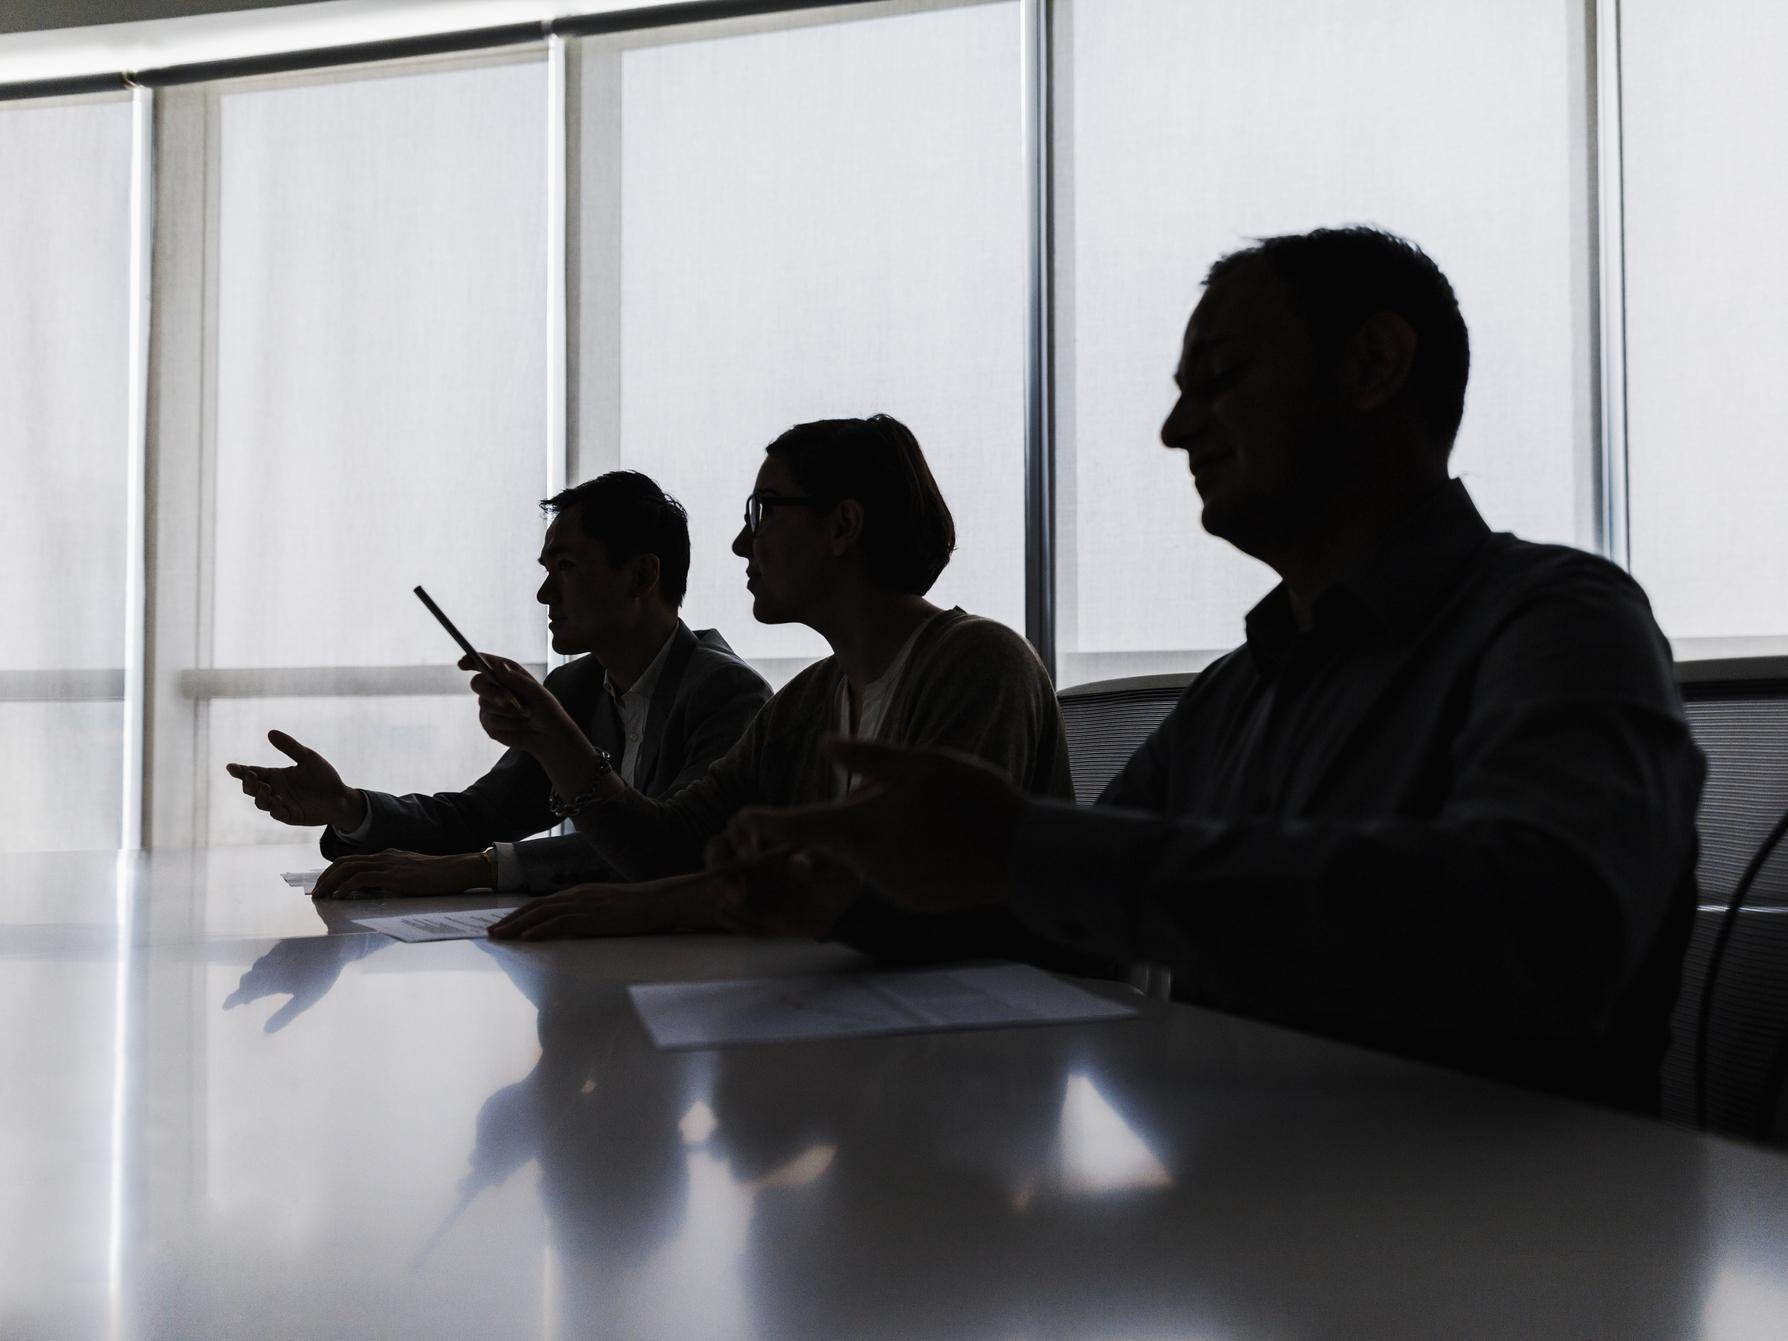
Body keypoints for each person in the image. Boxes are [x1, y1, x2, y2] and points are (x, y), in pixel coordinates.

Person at [725, 227, 1705, 1114]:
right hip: (1259, 1203)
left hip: (1512, 1227)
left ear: (1373, 364)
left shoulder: (1562, 620)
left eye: (1220, 376)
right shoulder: (1240, 690)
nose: (1175, 428)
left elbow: (1547, 927)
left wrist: (1020, 847)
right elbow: (1059, 911)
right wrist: (859, 900)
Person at [472, 414, 1081, 961]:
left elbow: (925, 893)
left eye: (763, 510)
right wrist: (551, 739)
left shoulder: (980, 662)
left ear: (842, 526)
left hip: (1000, 1033)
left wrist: (655, 904)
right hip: (884, 1016)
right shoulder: (808, 701)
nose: (742, 543)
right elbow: (670, 848)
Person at [224, 471, 770, 897]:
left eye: (565, 567)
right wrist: (348, 806)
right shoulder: (577, 687)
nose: (544, 594)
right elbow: (479, 815)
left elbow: (668, 851)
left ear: (642, 576)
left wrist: (476, 869)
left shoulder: (727, 695)